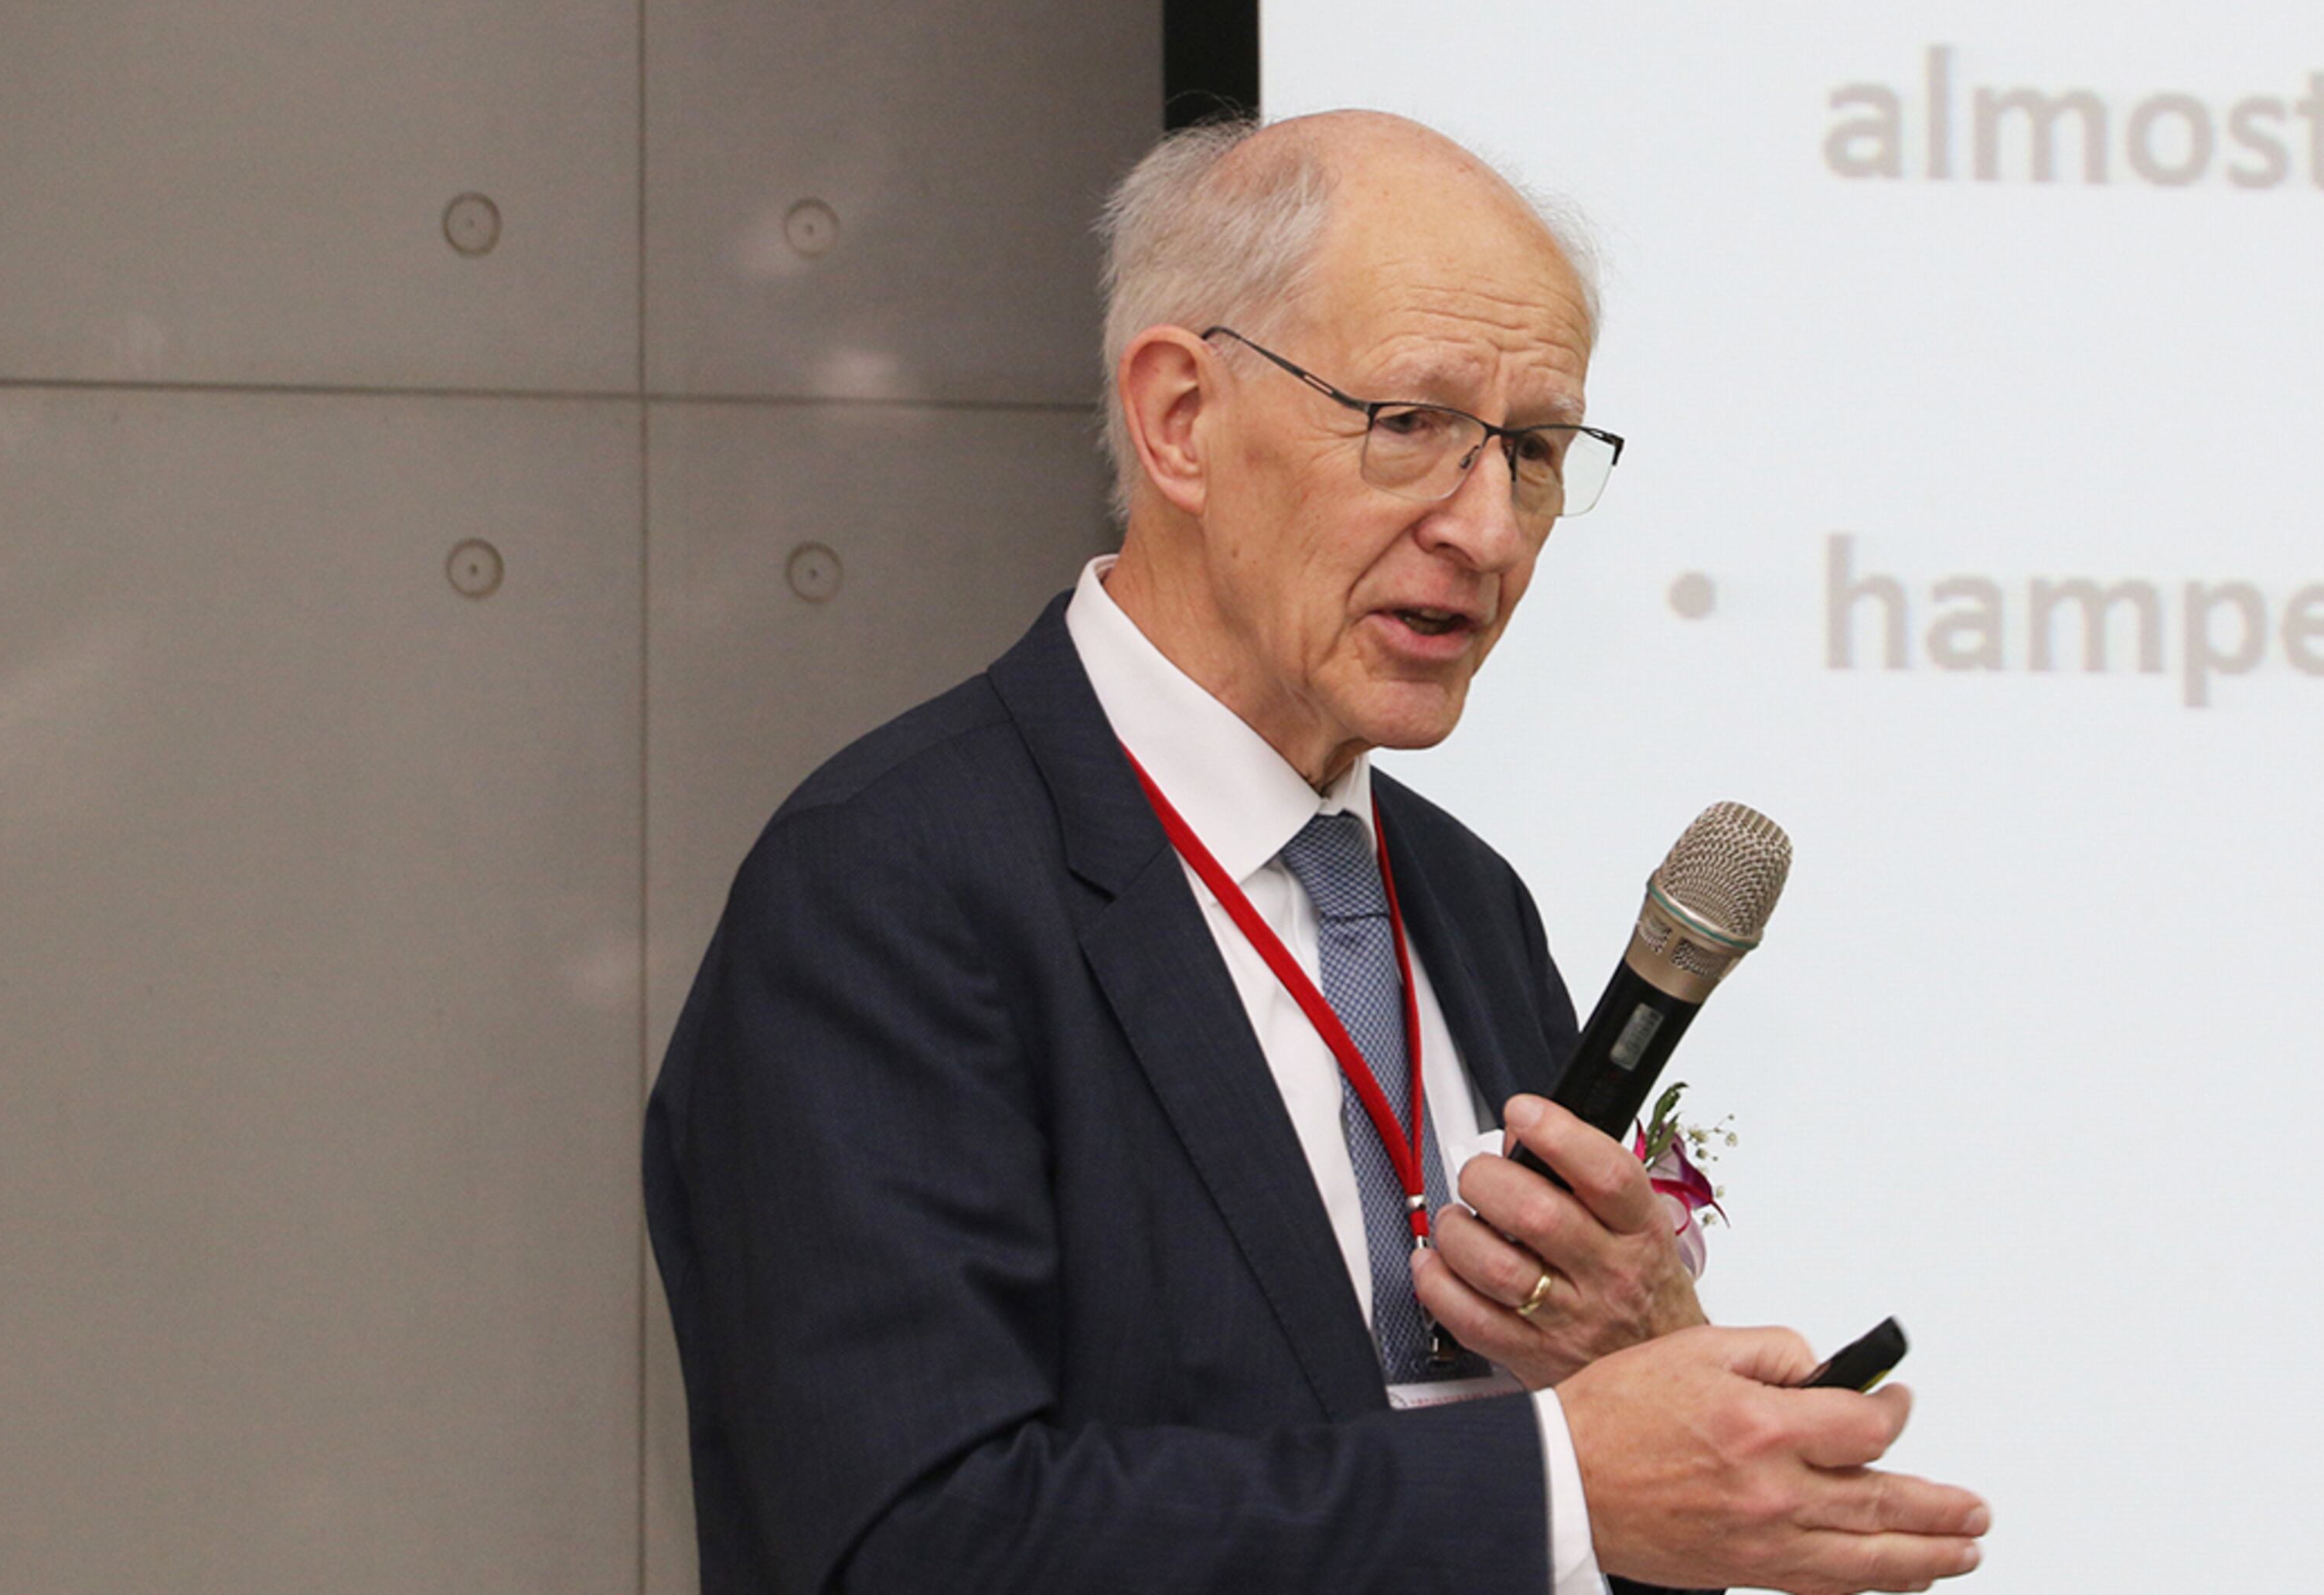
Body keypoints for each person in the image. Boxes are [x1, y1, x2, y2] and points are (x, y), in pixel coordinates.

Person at [643, 110, 1990, 1594]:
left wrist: (1645, 1369)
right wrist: (1555, 1486)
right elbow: (906, 1542)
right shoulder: (892, 886)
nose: (1486, 529)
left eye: (1535, 451)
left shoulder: (1469, 903)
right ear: (1178, 420)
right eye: (1410, 425)